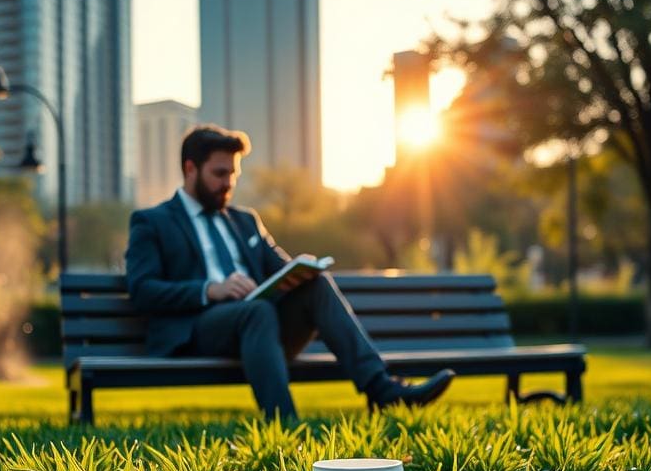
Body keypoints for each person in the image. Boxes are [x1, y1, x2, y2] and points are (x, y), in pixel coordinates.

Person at [124, 124, 454, 421]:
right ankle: (285, 426)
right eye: (220, 173)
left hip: (260, 327)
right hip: (196, 331)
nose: (228, 184)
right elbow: (142, 290)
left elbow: (278, 268)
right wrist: (210, 289)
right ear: (190, 168)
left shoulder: (245, 220)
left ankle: (384, 391)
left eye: (233, 175)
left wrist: (300, 271)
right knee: (256, 311)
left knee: (316, 286)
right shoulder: (153, 221)